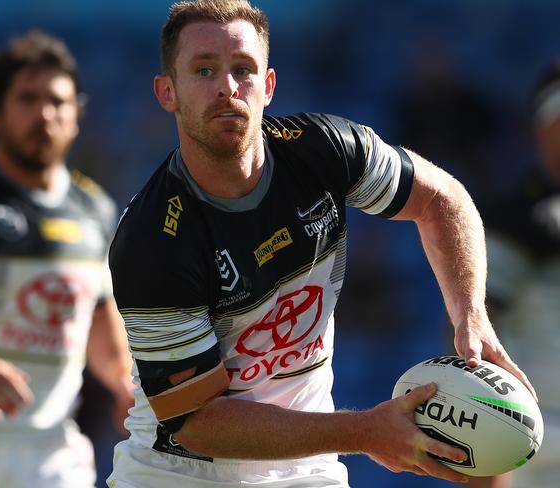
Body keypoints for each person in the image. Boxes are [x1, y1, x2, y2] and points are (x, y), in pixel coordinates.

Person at [107, 1, 535, 487]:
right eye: (204, 70)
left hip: (308, 469)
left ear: (268, 86)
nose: (227, 87)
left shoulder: (325, 150)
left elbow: (442, 199)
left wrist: (470, 314)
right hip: (179, 474)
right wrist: (367, 431)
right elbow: (200, 425)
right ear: (168, 92)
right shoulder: (151, 240)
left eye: (243, 70)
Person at [0, 30, 135, 488]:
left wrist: (123, 383)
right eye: (27, 99)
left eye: (58, 102)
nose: (44, 114)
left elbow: (98, 319)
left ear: (77, 117)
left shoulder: (97, 211)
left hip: (51, 452)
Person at [465, 60, 560, 488]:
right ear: (540, 133)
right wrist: (486, 462)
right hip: (536, 462)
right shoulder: (514, 225)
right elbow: (471, 343)